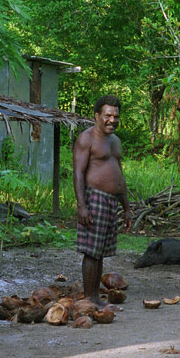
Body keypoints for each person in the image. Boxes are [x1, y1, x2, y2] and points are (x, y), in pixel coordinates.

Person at [73, 95, 132, 306]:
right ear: (97, 115)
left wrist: (126, 208)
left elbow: (119, 175)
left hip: (111, 201)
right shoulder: (86, 139)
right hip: (94, 198)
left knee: (100, 253)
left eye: (116, 116)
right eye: (108, 115)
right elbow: (78, 173)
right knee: (91, 252)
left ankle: (95, 296)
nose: (112, 120)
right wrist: (82, 205)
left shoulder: (115, 141)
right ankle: (90, 299)